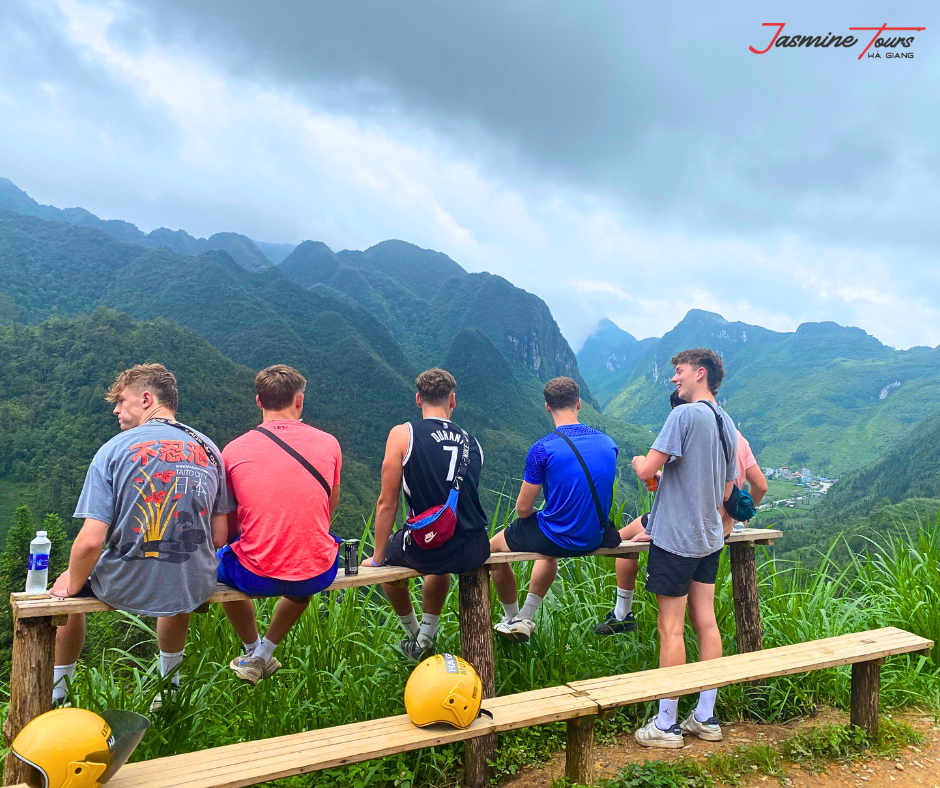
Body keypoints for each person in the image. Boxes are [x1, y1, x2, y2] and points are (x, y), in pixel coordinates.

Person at [49, 364, 233, 711]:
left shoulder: (113, 449)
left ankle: (59, 693)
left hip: (126, 581)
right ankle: (170, 689)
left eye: (121, 400)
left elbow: (91, 542)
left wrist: (72, 584)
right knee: (178, 578)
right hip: (194, 583)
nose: (116, 409)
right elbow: (220, 536)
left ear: (146, 398)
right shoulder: (209, 448)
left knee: (66, 587)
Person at [630, 348, 737, 749]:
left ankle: (666, 724)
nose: (674, 379)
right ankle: (706, 717)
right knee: (706, 623)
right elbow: (727, 491)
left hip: (676, 540)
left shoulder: (683, 415)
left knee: (670, 629)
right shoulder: (726, 422)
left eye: (678, 372)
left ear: (700, 373)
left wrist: (644, 462)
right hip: (710, 538)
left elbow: (645, 469)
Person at [219, 365, 342, 684]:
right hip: (317, 573)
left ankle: (252, 651)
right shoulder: (329, 443)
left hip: (253, 577)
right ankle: (263, 653)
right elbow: (329, 507)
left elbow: (230, 525)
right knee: (311, 551)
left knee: (220, 559)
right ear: (299, 401)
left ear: (259, 401)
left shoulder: (232, 450)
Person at [363, 368, 489, 661]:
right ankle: (426, 635)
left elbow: (386, 502)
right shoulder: (473, 442)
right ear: (452, 400)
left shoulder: (403, 434)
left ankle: (414, 635)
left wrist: (379, 557)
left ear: (418, 399)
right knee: (440, 554)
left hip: (427, 548)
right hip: (473, 547)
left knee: (383, 568)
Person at [489, 377, 621, 643]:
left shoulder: (542, 449)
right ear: (579, 403)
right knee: (546, 542)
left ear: (547, 407)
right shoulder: (609, 443)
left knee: (492, 548)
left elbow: (523, 509)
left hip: (557, 537)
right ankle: (526, 614)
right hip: (594, 536)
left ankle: (513, 617)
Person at [594, 390, 688, 636]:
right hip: (690, 518)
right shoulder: (723, 431)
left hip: (676, 522)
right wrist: (663, 478)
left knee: (620, 543)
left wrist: (640, 463)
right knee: (624, 539)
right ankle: (621, 613)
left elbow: (644, 471)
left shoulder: (680, 427)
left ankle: (623, 612)